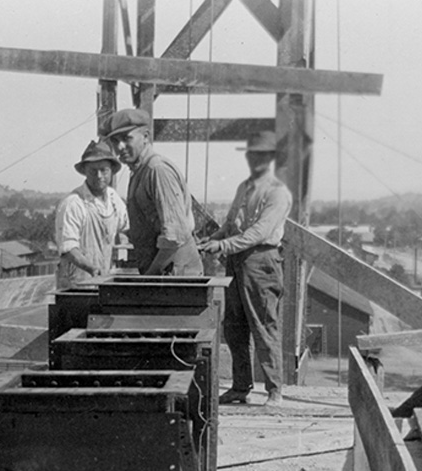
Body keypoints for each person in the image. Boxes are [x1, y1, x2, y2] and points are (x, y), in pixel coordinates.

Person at [200, 131, 292, 407]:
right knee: (235, 328)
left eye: (263, 155)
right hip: (237, 262)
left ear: (272, 158)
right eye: (253, 154)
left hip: (261, 262)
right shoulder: (244, 187)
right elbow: (231, 223)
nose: (257, 159)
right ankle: (241, 387)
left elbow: (259, 232)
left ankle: (275, 390)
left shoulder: (278, 192)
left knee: (264, 326)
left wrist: (224, 246)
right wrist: (213, 239)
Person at [106, 108, 203, 276]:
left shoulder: (157, 170)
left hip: (176, 275)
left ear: (146, 137)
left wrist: (149, 277)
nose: (120, 147)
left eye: (126, 138)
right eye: (115, 141)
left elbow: (174, 236)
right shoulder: (139, 171)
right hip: (162, 272)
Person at [55, 140, 129, 289]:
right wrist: (92, 269)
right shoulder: (73, 204)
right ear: (85, 171)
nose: (99, 175)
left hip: (103, 283)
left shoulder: (114, 199)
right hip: (75, 287)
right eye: (93, 171)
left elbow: (126, 228)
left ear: (112, 171)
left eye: (104, 170)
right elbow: (69, 249)